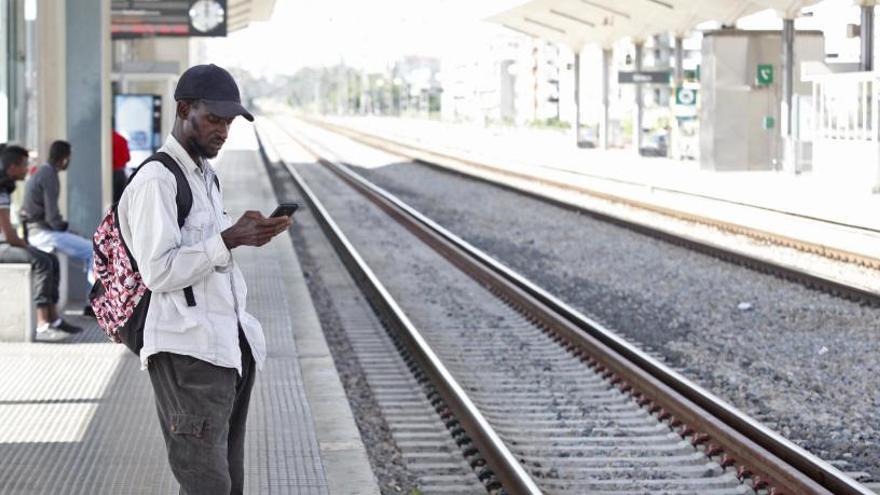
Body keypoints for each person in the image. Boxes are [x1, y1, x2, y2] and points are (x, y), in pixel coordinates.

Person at [116, 64, 290, 494]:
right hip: (187, 353)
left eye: (229, 122)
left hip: (225, 348)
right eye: (214, 118)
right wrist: (228, 239)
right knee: (207, 483)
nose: (224, 131)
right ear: (183, 110)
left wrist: (243, 234)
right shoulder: (158, 179)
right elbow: (158, 271)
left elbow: (209, 255)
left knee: (224, 482)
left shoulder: (204, 175)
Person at [0, 144, 82, 340]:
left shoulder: (5, 191)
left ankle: (54, 319)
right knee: (42, 262)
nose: (27, 169)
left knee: (51, 259)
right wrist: (25, 245)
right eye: (24, 165)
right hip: (2, 247)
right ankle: (42, 324)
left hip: (6, 244)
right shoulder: (1, 192)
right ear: (12, 167)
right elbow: (9, 235)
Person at [21, 140, 95, 313]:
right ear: (64, 159)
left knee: (84, 244)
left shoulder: (42, 172)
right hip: (43, 233)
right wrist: (69, 229)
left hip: (38, 230)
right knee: (93, 250)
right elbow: (52, 217)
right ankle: (93, 304)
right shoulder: (49, 175)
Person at [112, 130, 130, 203]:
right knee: (120, 201)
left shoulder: (105, 139)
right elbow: (128, 158)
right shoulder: (122, 139)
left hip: (109, 174)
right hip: (120, 173)